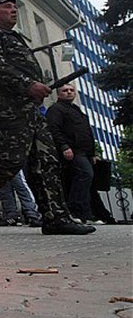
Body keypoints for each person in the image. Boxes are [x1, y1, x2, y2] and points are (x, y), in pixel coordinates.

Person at [0, 0, 94, 235]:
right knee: (10, 163)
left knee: (46, 161)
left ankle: (55, 217)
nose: (14, 10)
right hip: (8, 111)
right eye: (7, 7)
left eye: (15, 6)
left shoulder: (14, 37)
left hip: (30, 110)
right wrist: (27, 85)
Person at [46, 84, 98, 224]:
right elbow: (54, 129)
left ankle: (85, 214)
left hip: (84, 151)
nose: (69, 92)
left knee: (86, 180)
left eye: (71, 90)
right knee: (85, 175)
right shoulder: (56, 109)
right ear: (58, 94)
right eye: (65, 90)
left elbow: (87, 132)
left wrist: (92, 153)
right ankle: (75, 211)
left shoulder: (77, 110)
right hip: (73, 151)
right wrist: (64, 147)